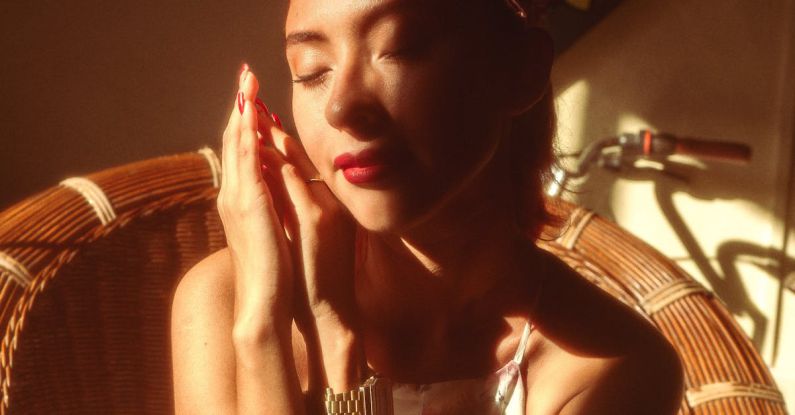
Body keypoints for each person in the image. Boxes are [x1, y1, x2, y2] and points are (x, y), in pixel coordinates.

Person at [170, 0, 684, 413]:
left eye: (400, 48)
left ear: (521, 70)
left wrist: (340, 347)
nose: (341, 106)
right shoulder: (228, 301)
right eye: (311, 71)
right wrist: (261, 332)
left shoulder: (612, 367)